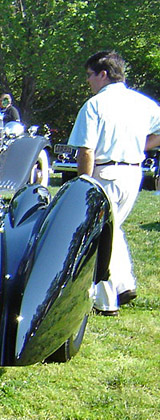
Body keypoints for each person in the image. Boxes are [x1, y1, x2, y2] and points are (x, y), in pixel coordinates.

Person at [68, 50, 160, 315]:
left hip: (105, 173)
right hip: (133, 173)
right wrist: (139, 146)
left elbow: (86, 150)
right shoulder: (142, 103)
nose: (88, 81)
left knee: (100, 235)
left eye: (90, 75)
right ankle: (124, 282)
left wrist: (84, 185)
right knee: (114, 228)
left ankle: (107, 301)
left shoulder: (95, 105)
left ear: (103, 74)